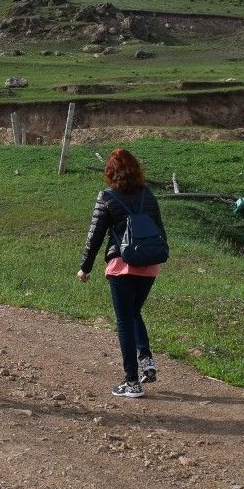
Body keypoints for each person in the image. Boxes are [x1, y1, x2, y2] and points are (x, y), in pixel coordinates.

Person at [78, 147, 168, 399]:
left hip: (122, 265)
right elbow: (159, 230)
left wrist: (85, 268)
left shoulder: (107, 197)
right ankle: (146, 358)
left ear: (110, 172)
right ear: (137, 169)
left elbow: (94, 236)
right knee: (134, 312)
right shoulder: (148, 194)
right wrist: (161, 253)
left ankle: (132, 382)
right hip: (149, 266)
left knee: (125, 321)